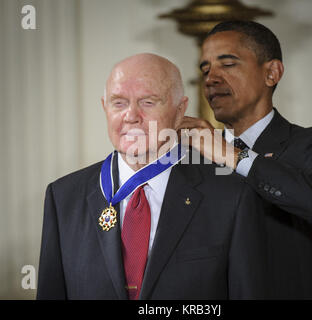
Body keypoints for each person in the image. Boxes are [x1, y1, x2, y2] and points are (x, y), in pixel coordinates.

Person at [37, 53, 270, 299]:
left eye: (147, 102)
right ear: (104, 108)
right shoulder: (63, 197)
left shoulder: (231, 196)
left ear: (180, 110)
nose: (131, 115)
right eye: (118, 103)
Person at [177, 21, 312, 299]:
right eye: (205, 69)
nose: (210, 79)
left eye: (228, 64)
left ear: (272, 73)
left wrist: (231, 154)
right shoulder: (189, 161)